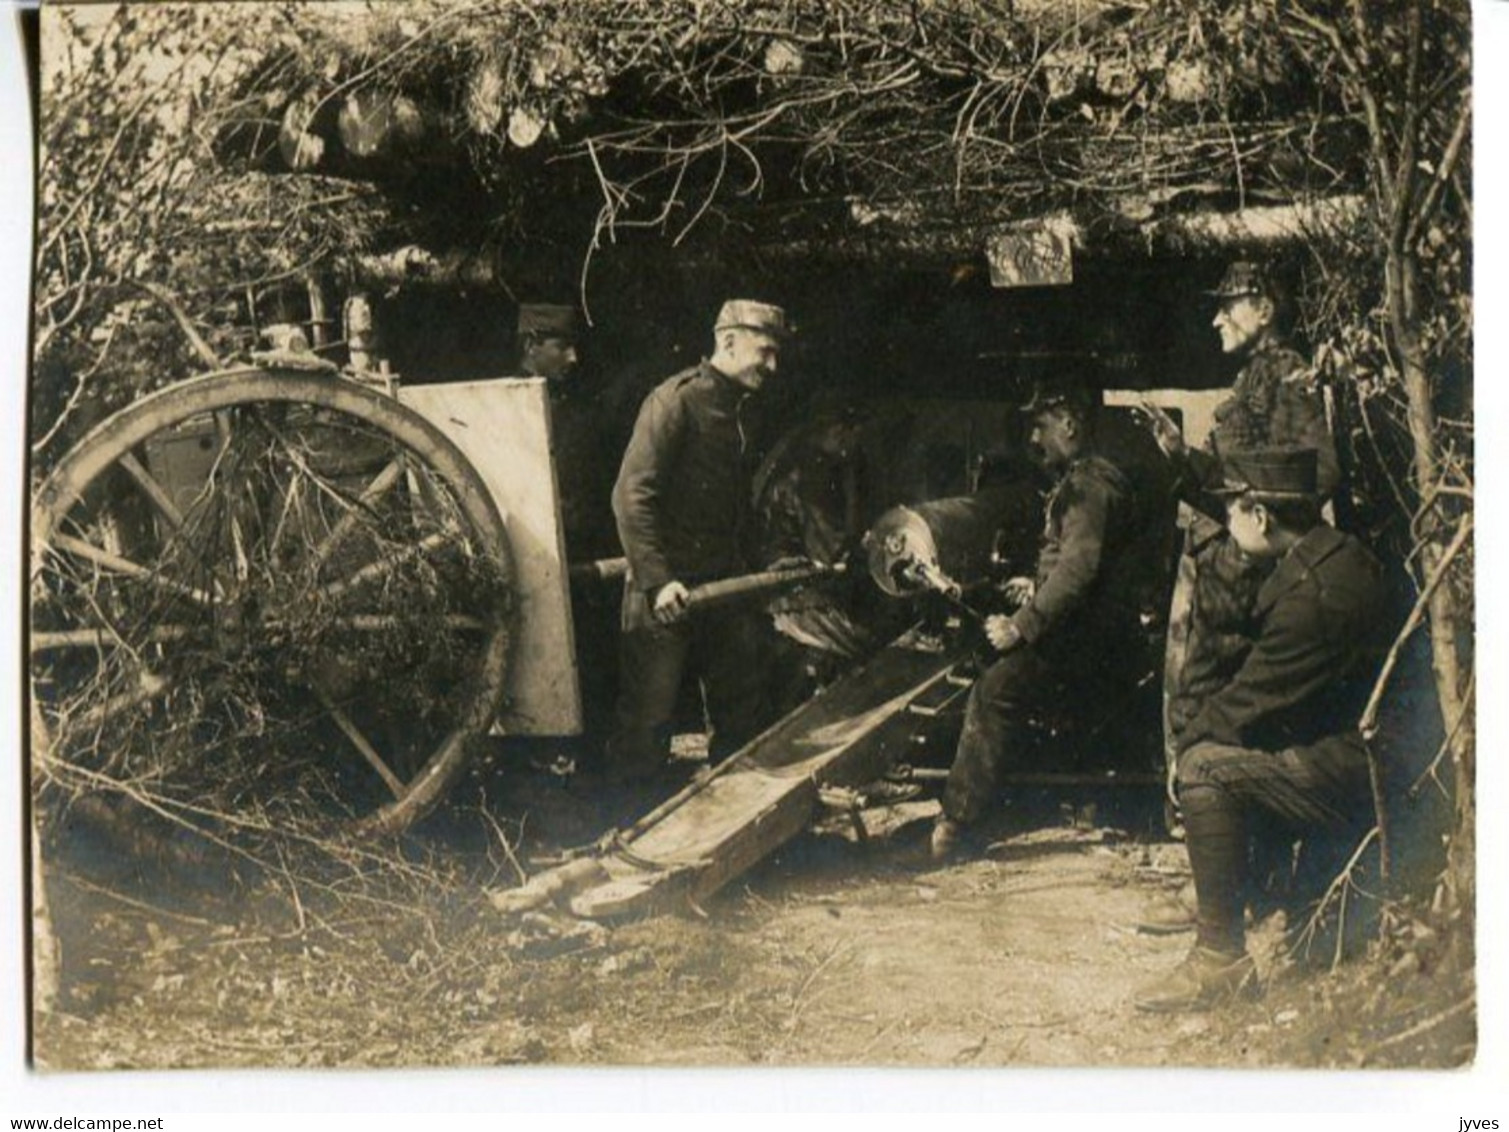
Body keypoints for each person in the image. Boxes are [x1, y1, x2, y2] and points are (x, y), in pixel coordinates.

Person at [1134, 446, 1386, 1012]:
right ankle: (1259, 891)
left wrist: (1184, 749)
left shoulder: (1311, 599)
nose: (1226, 521)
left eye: (1231, 509)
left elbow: (1246, 702)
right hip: (1362, 752)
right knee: (1239, 749)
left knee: (1205, 768)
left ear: (1261, 517)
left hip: (1371, 774)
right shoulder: (1334, 556)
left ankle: (1220, 958)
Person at [1141, 261, 1341, 842]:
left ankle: (1219, 870)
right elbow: (1230, 482)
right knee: (1199, 706)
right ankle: (1209, 861)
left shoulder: (1285, 376)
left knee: (1213, 713)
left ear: (1265, 308)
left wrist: (1258, 520)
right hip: (1224, 572)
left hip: (1249, 577)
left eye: (1230, 305)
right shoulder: (1255, 379)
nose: (1216, 317)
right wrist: (1182, 455)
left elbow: (1321, 473)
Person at [930, 383, 1143, 860]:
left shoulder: (1086, 487)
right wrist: (1035, 584)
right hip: (1097, 628)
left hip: (1085, 639)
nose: (1033, 438)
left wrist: (1022, 624)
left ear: (1069, 424)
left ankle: (954, 829)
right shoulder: (1094, 477)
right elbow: (1076, 564)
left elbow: (1079, 570)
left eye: (1040, 425)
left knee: (993, 690)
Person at [605, 299, 790, 782]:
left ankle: (732, 822)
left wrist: (765, 565)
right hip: (668, 591)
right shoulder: (675, 401)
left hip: (723, 586)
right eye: (765, 352)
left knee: (741, 709)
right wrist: (658, 581)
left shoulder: (742, 410)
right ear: (728, 340)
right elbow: (630, 496)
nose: (773, 366)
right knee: (648, 717)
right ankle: (627, 827)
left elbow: (737, 508)